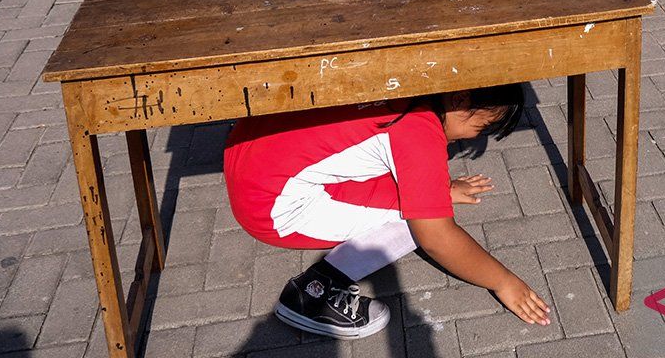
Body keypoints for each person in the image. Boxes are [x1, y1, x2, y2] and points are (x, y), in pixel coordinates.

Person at [223, 84, 551, 339]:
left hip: (250, 152)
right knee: (419, 220)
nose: (472, 138)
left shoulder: (407, 82)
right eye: (481, 129)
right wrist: (503, 281)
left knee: (426, 197)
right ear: (458, 98)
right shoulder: (418, 131)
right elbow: (437, 237)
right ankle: (312, 294)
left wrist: (438, 188)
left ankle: (431, 194)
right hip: (269, 205)